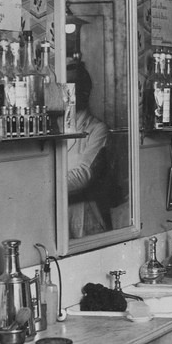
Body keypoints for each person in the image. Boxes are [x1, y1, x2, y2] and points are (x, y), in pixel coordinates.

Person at [65, 58, 110, 238]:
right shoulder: (57, 126)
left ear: (86, 91)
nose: (69, 94)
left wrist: (44, 188)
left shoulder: (97, 129)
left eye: (74, 87)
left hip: (85, 215)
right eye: (66, 88)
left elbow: (83, 174)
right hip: (58, 210)